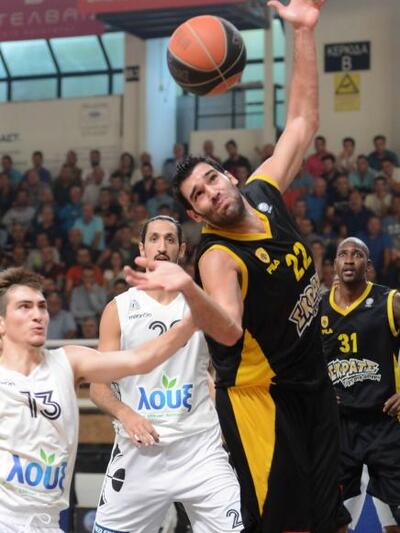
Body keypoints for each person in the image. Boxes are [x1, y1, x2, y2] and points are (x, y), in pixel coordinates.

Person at [125, 1, 350, 532]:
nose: (209, 193)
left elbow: (302, 122)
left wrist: (303, 32)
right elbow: (227, 329)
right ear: (196, 214)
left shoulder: (264, 192)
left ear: (229, 175)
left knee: (330, 520)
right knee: (284, 525)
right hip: (262, 400)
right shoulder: (218, 256)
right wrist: (188, 287)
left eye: (210, 180)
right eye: (197, 196)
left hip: (313, 383)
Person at [0, 267, 195, 533]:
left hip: (47, 522)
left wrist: (192, 321)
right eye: (24, 307)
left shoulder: (68, 361)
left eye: (42, 306)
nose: (38, 315)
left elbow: (140, 360)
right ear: (2, 323)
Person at [90, 215, 242, 533]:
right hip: (139, 452)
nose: (162, 246)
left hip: (200, 449)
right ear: (142, 248)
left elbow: (213, 375)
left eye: (170, 239)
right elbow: (98, 388)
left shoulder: (203, 305)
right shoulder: (119, 309)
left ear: (182, 249)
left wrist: (227, 427)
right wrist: (126, 415)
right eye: (155, 239)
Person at [320, 237, 400, 531]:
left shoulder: (390, 301)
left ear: (368, 265)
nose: (350, 259)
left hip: (386, 423)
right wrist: (318, 392)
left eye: (357, 254)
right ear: (334, 265)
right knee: (332, 519)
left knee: (394, 522)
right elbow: (300, 362)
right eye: (343, 254)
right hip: (338, 426)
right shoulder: (318, 309)